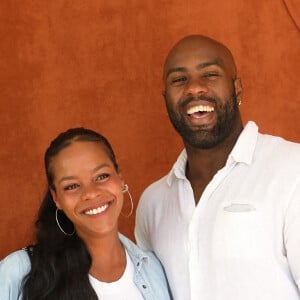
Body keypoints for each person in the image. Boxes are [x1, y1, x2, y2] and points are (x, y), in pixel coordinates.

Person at [135, 34, 300, 300]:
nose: (194, 88)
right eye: (179, 79)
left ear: (237, 89)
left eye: (210, 74)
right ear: (166, 99)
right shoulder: (153, 203)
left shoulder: (292, 170)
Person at [0, 127, 172, 300]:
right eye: (72, 186)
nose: (90, 193)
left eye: (101, 176)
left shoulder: (154, 270)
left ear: (120, 178)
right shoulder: (17, 272)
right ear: (56, 198)